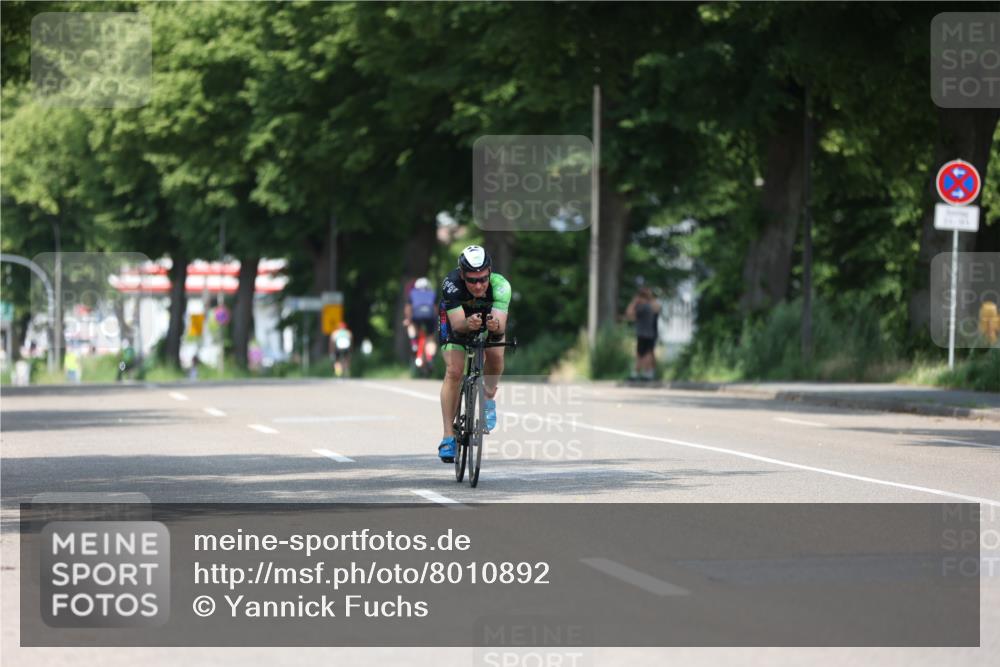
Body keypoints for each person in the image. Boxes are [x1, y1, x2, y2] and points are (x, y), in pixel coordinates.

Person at [436, 245, 511, 462]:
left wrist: (494, 325)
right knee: (454, 371)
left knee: (496, 355)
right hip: (457, 320)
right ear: (462, 275)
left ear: (490, 272)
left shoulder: (501, 286)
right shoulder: (451, 284)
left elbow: (500, 327)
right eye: (471, 280)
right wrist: (468, 324)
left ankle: (488, 399)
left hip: (488, 320)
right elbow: (458, 325)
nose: (478, 285)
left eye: (483, 279)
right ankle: (448, 436)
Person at [625, 287, 661, 381]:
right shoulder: (649, 306)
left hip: (645, 334)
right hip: (649, 334)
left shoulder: (644, 307)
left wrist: (634, 301)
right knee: (646, 353)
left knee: (644, 354)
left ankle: (640, 373)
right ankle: (646, 373)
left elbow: (629, 314)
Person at [403, 276, 438, 370]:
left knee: (411, 325)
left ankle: (414, 342)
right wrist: (435, 321)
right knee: (430, 337)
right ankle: (430, 358)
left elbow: (408, 308)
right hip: (430, 316)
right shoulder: (432, 293)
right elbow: (435, 309)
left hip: (417, 316)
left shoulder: (412, 293)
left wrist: (408, 319)